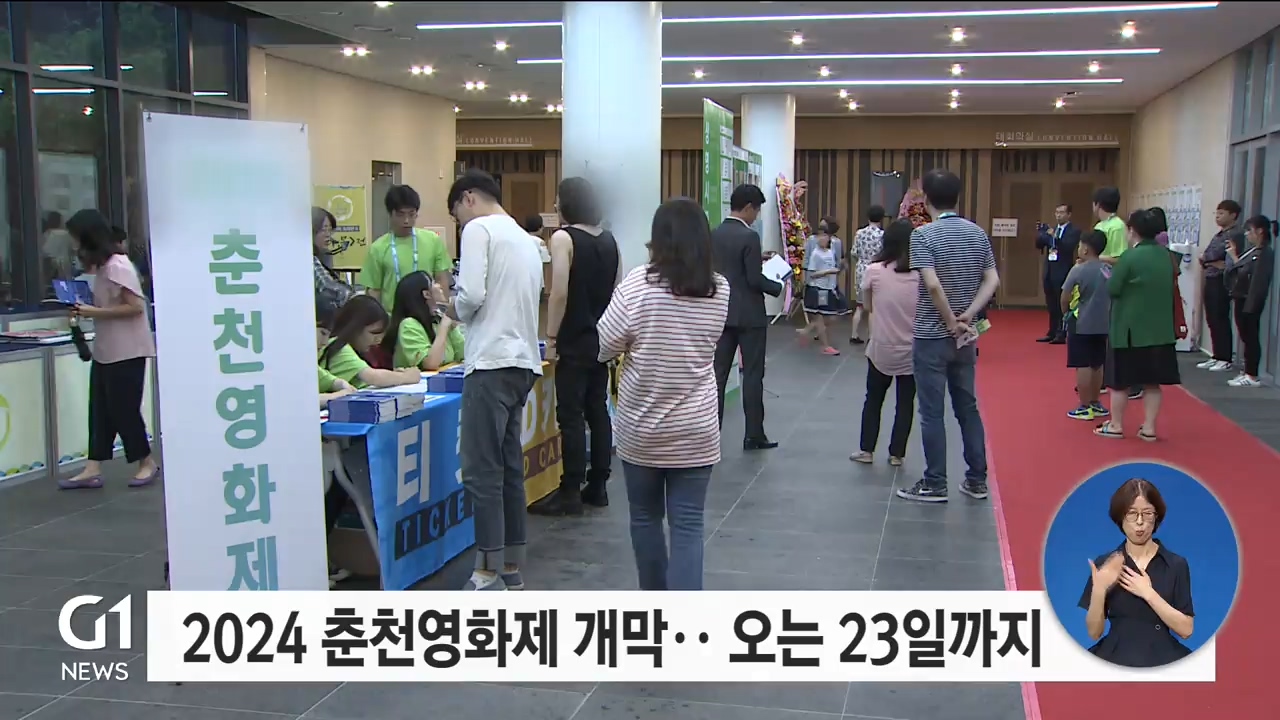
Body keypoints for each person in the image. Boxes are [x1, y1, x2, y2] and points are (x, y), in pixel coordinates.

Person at [598, 197, 729, 591]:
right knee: (689, 525)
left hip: (642, 427)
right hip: (697, 428)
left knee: (645, 518)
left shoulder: (639, 284)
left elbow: (604, 343)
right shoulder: (719, 289)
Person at [445, 169, 544, 591]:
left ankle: (485, 573)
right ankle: (511, 568)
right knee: (508, 469)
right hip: (523, 362)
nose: (460, 225)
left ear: (469, 198)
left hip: (490, 363)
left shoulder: (479, 230)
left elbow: (470, 296)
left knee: (481, 472)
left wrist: (446, 308)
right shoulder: (527, 239)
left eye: (457, 215)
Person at [897, 169, 1000, 504]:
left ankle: (935, 482)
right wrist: (968, 314)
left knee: (931, 412)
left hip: (931, 335)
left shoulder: (923, 235)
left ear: (925, 198)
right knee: (967, 407)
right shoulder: (977, 233)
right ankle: (976, 480)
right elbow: (992, 280)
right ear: (957, 197)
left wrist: (949, 320)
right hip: (966, 337)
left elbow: (932, 284)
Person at [532, 177, 621, 517]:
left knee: (570, 415)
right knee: (597, 410)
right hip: (602, 337)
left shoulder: (563, 238)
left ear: (567, 203)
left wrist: (551, 338)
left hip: (573, 338)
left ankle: (569, 489)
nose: (555, 205)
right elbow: (617, 290)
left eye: (558, 199)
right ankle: (598, 485)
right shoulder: (610, 240)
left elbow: (559, 293)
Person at [58, 210, 159, 490]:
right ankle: (93, 466)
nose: (74, 244)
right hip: (107, 350)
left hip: (127, 351)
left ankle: (146, 462)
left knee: (124, 409)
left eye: (76, 238)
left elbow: (135, 307)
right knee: (100, 410)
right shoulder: (103, 267)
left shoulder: (118, 266)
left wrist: (93, 311)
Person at [1078, 478, 1193, 668]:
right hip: (1115, 656)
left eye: (1147, 514)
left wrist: (1148, 593)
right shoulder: (1105, 564)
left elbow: (1186, 630)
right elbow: (1094, 633)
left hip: (1163, 657)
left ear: (1156, 517)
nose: (1140, 522)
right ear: (1120, 517)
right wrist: (1099, 589)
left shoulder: (1176, 564)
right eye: (1132, 514)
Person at [1094, 210, 1181, 442]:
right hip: (1160, 330)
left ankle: (1116, 424)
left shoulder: (1129, 257)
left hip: (1129, 330)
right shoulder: (1167, 256)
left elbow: (1114, 288)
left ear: (1132, 230)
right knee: (1152, 383)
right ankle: (1149, 427)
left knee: (1120, 383)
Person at [712, 184, 783, 450]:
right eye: (757, 210)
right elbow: (753, 279)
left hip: (722, 312)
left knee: (718, 376)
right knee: (753, 374)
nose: (757, 216)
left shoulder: (715, 233)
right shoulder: (749, 236)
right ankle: (753, 434)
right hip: (750, 316)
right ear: (749, 207)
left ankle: (711, 433)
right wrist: (777, 286)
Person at [851, 219, 917, 467]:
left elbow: (868, 306)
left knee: (874, 399)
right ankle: (897, 454)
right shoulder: (921, 274)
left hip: (881, 346)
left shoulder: (874, 271)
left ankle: (866, 450)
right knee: (905, 403)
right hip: (912, 349)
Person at [359, 185, 453, 312]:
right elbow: (373, 292)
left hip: (427, 315)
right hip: (393, 317)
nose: (406, 220)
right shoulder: (378, 248)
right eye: (400, 214)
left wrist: (443, 313)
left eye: (411, 214)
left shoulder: (432, 240)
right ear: (390, 214)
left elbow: (441, 280)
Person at [1092, 186, 1145, 402]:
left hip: (1115, 284)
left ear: (1098, 204)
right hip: (1100, 283)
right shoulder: (1100, 226)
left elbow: (1122, 258)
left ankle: (1131, 381)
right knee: (1102, 333)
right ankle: (1104, 377)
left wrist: (1097, 258)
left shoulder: (1117, 226)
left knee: (1119, 334)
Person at [1061, 231, 1112, 421]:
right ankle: (1095, 402)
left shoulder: (1078, 270)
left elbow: (1065, 295)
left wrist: (1065, 313)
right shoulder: (1108, 269)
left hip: (1081, 321)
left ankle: (1084, 406)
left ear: (1085, 249)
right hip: (1103, 321)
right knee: (1097, 363)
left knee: (1082, 364)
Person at [319, 294, 421, 389]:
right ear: (354, 327)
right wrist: (406, 377)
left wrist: (394, 375)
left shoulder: (358, 351)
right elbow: (374, 377)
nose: (379, 340)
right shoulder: (338, 348)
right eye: (374, 333)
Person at [1224, 214, 1276, 387]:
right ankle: (1247, 370)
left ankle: (1252, 374)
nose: (1247, 234)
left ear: (1260, 231)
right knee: (1246, 336)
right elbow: (1241, 268)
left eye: (1249, 231)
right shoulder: (1253, 251)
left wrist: (1251, 305)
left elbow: (1259, 281)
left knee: (1251, 336)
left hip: (1250, 300)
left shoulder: (1265, 253)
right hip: (1241, 297)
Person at [380, 271, 465, 371]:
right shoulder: (409, 325)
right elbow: (431, 364)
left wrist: (452, 327)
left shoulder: (438, 320)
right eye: (434, 283)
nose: (439, 286)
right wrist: (444, 326)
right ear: (426, 294)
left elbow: (464, 354)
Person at [1197, 200, 1245, 373]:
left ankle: (1225, 357)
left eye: (1222, 213)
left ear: (1233, 215)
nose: (1217, 216)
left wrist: (1208, 260)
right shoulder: (1219, 234)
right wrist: (1209, 261)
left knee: (1220, 318)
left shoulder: (1235, 234)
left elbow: (1219, 256)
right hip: (1211, 276)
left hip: (1222, 280)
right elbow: (1206, 256)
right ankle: (1217, 355)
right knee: (1211, 318)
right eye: (1216, 213)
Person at [1035, 203, 1081, 344]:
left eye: (1061, 212)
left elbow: (1067, 247)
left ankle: (1062, 332)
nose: (1058, 215)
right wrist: (1041, 234)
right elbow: (1039, 245)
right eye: (1056, 212)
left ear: (1069, 214)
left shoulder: (1074, 231)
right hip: (1049, 270)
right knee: (1051, 304)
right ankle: (1052, 331)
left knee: (1062, 303)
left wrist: (1054, 236)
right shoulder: (1052, 229)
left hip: (1063, 270)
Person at [800, 229, 848, 355]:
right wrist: (828, 272)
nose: (822, 239)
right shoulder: (815, 254)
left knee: (830, 317)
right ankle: (826, 345)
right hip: (818, 289)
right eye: (820, 236)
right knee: (820, 316)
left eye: (825, 236)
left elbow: (836, 266)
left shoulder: (831, 252)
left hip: (829, 288)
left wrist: (839, 268)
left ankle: (807, 330)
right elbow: (812, 274)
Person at [850, 206, 886, 344]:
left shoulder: (859, 233)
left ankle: (854, 334)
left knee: (860, 305)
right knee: (873, 306)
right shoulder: (882, 235)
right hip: (876, 269)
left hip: (861, 268)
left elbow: (854, 252)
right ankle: (871, 336)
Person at [312, 207, 356, 315]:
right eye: (323, 229)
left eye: (330, 230)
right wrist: (355, 298)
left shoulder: (324, 255)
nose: (328, 235)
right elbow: (329, 287)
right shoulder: (308, 259)